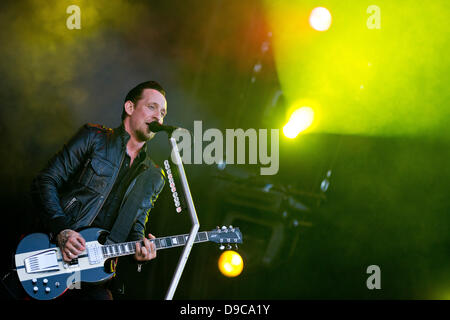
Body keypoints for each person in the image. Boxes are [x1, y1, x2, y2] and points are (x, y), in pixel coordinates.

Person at [30, 81, 167, 299]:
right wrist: (61, 229)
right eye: (152, 107)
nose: (158, 116)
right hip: (54, 249)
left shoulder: (154, 176)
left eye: (162, 112)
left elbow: (136, 227)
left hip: (96, 276)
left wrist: (141, 250)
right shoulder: (94, 138)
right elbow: (45, 181)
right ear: (130, 108)